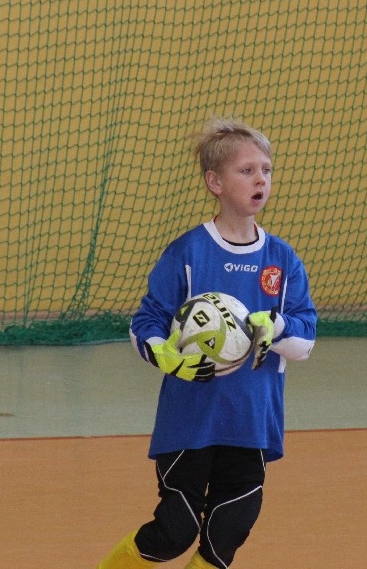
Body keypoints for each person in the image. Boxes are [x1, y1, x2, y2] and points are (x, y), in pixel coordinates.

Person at [98, 117, 317, 569]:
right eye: (247, 171)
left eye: (266, 170)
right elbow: (145, 323)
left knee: (227, 535)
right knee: (174, 531)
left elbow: (305, 340)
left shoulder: (282, 260)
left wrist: (274, 328)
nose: (260, 180)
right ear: (214, 182)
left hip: (251, 422)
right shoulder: (188, 252)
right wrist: (166, 355)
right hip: (190, 422)